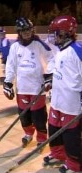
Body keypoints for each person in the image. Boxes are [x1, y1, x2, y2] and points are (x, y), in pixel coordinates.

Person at [3, 17, 54, 150]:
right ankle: (28, 134)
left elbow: (52, 58)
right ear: (19, 32)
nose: (26, 32)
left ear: (32, 30)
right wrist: (8, 82)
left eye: (29, 29)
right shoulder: (14, 47)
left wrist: (49, 75)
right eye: (23, 30)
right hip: (22, 89)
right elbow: (10, 65)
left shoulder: (39, 44)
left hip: (37, 88)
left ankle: (42, 138)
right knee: (24, 116)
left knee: (38, 116)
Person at [43, 15, 82, 173]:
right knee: (53, 129)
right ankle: (58, 155)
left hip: (70, 104)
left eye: (56, 33)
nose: (53, 36)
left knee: (70, 136)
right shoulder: (61, 50)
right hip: (57, 101)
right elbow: (57, 68)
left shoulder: (77, 51)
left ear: (67, 33)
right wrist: (49, 79)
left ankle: (74, 164)